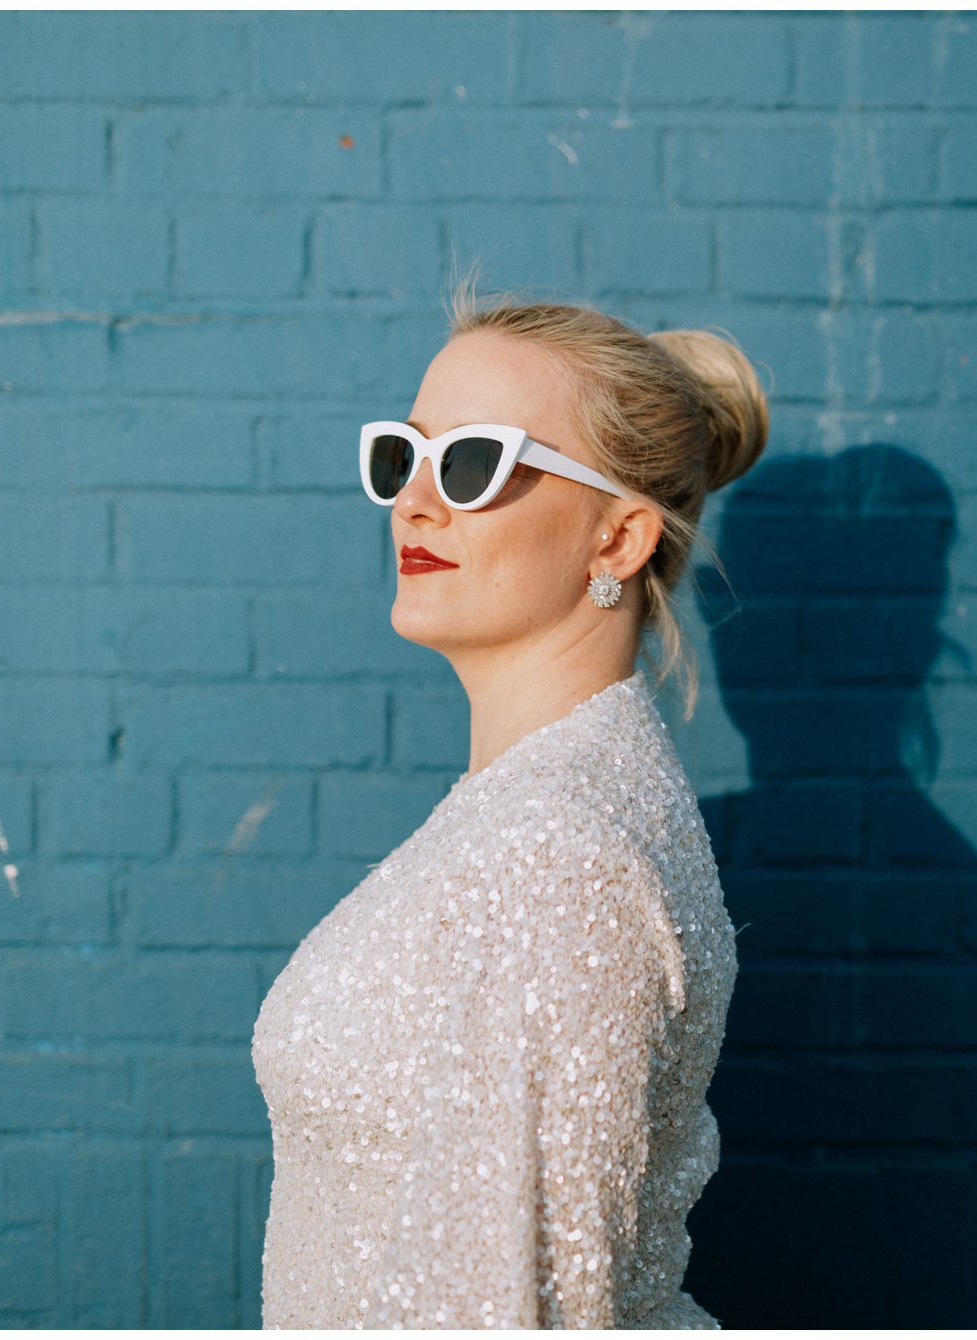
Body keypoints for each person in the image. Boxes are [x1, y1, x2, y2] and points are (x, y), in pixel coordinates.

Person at [251, 294, 767, 1328]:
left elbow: (512, 1301)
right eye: (403, 457)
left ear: (618, 535)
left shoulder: (560, 857)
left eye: (475, 463)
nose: (415, 503)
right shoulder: (539, 811)